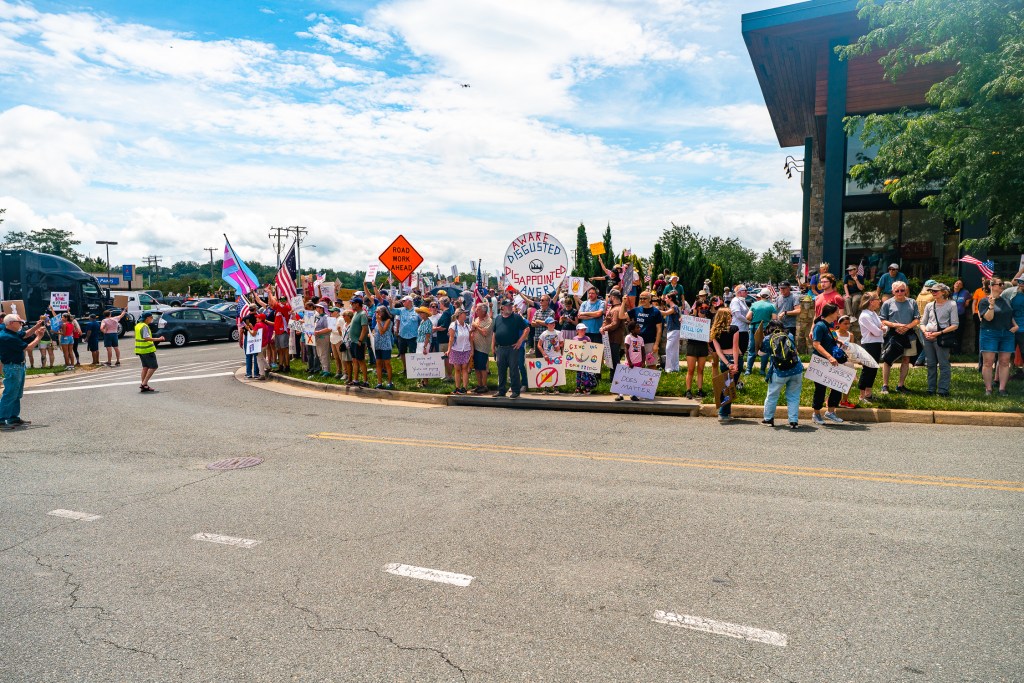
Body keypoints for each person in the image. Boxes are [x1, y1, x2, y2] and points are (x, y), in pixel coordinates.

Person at [0, 313, 45, 429]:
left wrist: (36, 326)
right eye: (20, 322)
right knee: (10, 393)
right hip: (12, 367)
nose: (22, 324)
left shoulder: (12, 333)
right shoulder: (7, 337)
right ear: (11, 323)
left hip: (18, 366)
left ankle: (13, 417)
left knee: (16, 394)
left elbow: (25, 334)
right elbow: (28, 347)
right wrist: (39, 337)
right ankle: (1, 419)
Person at [977, 277, 1018, 396]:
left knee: (1005, 362)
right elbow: (988, 318)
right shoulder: (984, 301)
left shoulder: (1006, 300)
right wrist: (991, 306)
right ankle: (988, 389)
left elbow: (1009, 315)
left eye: (1002, 284)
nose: (1002, 286)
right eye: (999, 284)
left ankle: (1002, 389)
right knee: (988, 362)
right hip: (990, 333)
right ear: (991, 286)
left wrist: (1015, 326)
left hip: (1007, 333)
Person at [760, 319, 803, 429]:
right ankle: (793, 421)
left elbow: (761, 353)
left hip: (779, 371)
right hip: (796, 369)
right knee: (793, 396)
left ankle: (768, 419)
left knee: (772, 395)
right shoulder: (790, 335)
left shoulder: (767, 338)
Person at [879, 281, 920, 394]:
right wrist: (895, 325)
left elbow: (917, 319)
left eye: (902, 290)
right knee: (888, 360)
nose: (900, 292)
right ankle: (885, 385)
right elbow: (883, 320)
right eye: (897, 290)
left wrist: (907, 327)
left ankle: (901, 385)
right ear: (893, 292)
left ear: (906, 290)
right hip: (893, 334)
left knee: (906, 359)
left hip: (909, 334)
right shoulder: (887, 303)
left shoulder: (912, 302)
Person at [810, 303, 845, 425]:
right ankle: (816, 413)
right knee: (820, 389)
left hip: (832, 361)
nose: (838, 314)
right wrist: (829, 357)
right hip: (821, 361)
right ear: (830, 313)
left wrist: (838, 341)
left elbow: (831, 338)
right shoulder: (819, 326)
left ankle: (830, 411)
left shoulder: (830, 325)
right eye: (837, 312)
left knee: (837, 385)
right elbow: (816, 344)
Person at [921, 283, 959, 397]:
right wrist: (925, 332)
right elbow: (922, 323)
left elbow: (955, 325)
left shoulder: (951, 304)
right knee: (930, 364)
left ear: (943, 292)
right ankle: (931, 389)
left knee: (943, 364)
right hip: (928, 337)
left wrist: (939, 333)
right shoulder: (929, 305)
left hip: (942, 337)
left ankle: (943, 390)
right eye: (932, 291)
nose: (933, 292)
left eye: (935, 291)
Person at [491, 299, 530, 399]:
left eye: (510, 305)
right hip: (501, 348)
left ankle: (515, 391)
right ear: (502, 307)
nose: (509, 307)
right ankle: (501, 390)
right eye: (507, 306)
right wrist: (493, 346)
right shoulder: (498, 318)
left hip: (512, 347)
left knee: (513, 369)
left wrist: (520, 341)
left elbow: (527, 329)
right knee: (501, 370)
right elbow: (494, 333)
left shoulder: (516, 317)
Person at [709, 307, 739, 420]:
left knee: (726, 385)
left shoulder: (714, 331)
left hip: (724, 361)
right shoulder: (735, 329)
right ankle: (723, 413)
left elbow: (718, 351)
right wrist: (734, 364)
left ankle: (727, 413)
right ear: (726, 317)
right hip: (734, 358)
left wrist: (727, 364)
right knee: (730, 387)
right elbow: (735, 348)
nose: (731, 318)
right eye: (730, 315)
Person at [683, 292, 712, 400]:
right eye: (702, 308)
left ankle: (700, 390)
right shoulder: (690, 319)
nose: (704, 310)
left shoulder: (708, 320)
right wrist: (682, 321)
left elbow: (710, 335)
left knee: (701, 369)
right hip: (692, 345)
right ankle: (688, 390)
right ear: (697, 308)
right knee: (690, 370)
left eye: (706, 308)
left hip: (702, 346)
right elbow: (684, 326)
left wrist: (710, 341)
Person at [623, 290, 663, 366]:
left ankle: (650, 378)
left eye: (644, 298)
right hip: (636, 342)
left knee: (651, 365)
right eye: (640, 298)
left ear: (649, 299)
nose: (642, 300)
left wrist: (656, 344)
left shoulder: (656, 312)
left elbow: (659, 330)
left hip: (650, 342)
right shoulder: (636, 310)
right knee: (637, 365)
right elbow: (621, 316)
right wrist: (623, 303)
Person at [857, 293, 884, 403]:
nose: (880, 301)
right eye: (877, 299)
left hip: (876, 343)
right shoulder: (865, 316)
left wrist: (881, 329)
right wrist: (881, 330)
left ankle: (868, 393)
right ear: (871, 301)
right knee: (867, 369)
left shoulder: (873, 314)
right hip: (869, 345)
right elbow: (877, 331)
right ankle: (862, 395)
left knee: (873, 369)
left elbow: (880, 328)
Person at [745, 289, 777, 375]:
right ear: (769, 296)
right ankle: (762, 370)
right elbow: (774, 319)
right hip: (766, 329)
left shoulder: (754, 304)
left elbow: (748, 317)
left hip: (753, 327)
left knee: (752, 349)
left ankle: (748, 370)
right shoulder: (772, 306)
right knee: (764, 349)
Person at [134, 312, 165, 393]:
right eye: (151, 317)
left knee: (145, 367)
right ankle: (144, 384)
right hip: (147, 350)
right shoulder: (144, 326)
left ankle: (144, 385)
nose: (152, 319)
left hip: (140, 350)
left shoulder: (138, 325)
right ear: (147, 318)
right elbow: (147, 338)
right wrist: (159, 339)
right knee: (154, 366)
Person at [616, 321, 645, 402]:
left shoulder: (640, 338)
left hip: (638, 362)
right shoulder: (628, 337)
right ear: (632, 330)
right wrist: (629, 362)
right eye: (637, 328)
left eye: (639, 327)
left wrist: (643, 361)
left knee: (635, 379)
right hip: (630, 363)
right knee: (625, 379)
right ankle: (620, 394)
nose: (639, 329)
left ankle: (633, 395)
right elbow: (626, 350)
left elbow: (643, 351)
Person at [391, 295, 420, 373]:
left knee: (413, 353)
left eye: (404, 301)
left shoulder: (417, 310)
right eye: (402, 301)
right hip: (402, 335)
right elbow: (392, 310)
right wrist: (391, 303)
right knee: (402, 352)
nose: (403, 302)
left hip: (413, 336)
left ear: (410, 301)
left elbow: (420, 322)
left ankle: (413, 369)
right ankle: (405, 369)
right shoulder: (401, 310)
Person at [599, 290, 627, 373]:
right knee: (611, 359)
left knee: (614, 360)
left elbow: (615, 323)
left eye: (609, 297)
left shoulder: (617, 309)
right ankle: (613, 378)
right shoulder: (614, 307)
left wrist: (604, 328)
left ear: (613, 297)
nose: (608, 298)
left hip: (614, 338)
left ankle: (615, 379)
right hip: (611, 337)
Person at [447, 307, 473, 395]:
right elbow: (451, 338)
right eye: (464, 313)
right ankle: (457, 387)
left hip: (466, 349)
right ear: (459, 315)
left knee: (465, 368)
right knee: (457, 369)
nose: (465, 315)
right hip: (456, 349)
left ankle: (464, 387)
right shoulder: (453, 325)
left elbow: (470, 338)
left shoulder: (467, 326)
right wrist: (449, 350)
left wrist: (472, 349)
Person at [833, 315, 857, 408]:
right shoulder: (834, 334)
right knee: (835, 380)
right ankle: (832, 399)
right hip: (837, 359)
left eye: (848, 324)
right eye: (845, 323)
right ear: (839, 324)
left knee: (848, 381)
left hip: (847, 360)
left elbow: (852, 348)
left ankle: (844, 400)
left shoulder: (850, 335)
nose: (847, 326)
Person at [536, 316, 563, 395]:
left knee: (556, 370)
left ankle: (555, 387)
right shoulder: (544, 334)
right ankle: (546, 388)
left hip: (556, 355)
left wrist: (559, 346)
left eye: (553, 323)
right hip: (547, 355)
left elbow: (562, 342)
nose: (553, 324)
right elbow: (539, 345)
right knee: (546, 371)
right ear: (547, 324)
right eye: (551, 323)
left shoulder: (558, 332)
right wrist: (544, 354)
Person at [728, 285, 750, 381]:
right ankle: (734, 374)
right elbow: (737, 315)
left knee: (742, 351)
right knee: (738, 352)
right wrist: (748, 321)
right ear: (739, 292)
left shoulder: (742, 301)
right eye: (745, 290)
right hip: (738, 329)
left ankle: (738, 373)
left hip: (744, 329)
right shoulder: (735, 301)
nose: (747, 292)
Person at [571, 322, 599, 395]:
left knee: (586, 374)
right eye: (581, 330)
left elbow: (591, 349)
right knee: (578, 374)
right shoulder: (574, 338)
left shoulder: (587, 338)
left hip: (586, 359)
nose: (583, 331)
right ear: (577, 331)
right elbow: (572, 349)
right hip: (578, 360)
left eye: (584, 330)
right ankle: (578, 387)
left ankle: (587, 387)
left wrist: (587, 344)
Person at [470, 302, 492, 393]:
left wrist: (476, 326)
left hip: (483, 347)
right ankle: (479, 385)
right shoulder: (477, 319)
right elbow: (473, 329)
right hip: (475, 346)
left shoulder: (489, 321)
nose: (476, 311)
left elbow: (485, 332)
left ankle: (484, 385)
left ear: (484, 311)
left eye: (478, 309)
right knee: (477, 367)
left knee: (482, 367)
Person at [348, 297, 370, 387]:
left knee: (361, 361)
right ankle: (355, 380)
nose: (352, 305)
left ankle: (365, 381)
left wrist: (360, 340)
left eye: (353, 303)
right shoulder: (356, 313)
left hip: (358, 342)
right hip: (353, 341)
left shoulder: (362, 314)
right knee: (354, 361)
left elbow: (364, 329)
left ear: (358, 304)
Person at [373, 307, 395, 389]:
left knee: (387, 363)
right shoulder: (377, 321)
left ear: (383, 312)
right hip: (377, 344)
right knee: (378, 363)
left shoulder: (388, 320)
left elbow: (382, 331)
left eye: (378, 312)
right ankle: (379, 383)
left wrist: (378, 321)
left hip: (385, 345)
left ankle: (390, 382)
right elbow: (376, 330)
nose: (377, 314)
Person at [661, 291, 682, 373]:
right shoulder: (673, 307)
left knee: (669, 349)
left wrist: (654, 309)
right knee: (674, 349)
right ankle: (675, 367)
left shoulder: (674, 307)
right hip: (673, 330)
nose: (665, 299)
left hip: (674, 330)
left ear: (670, 299)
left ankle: (669, 368)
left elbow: (666, 313)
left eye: (666, 298)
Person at [414, 305, 434, 388]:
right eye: (419, 313)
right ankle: (423, 380)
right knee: (420, 362)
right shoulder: (422, 321)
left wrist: (425, 347)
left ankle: (425, 382)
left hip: (424, 344)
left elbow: (427, 336)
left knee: (424, 362)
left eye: (421, 313)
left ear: (426, 314)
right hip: (420, 343)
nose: (419, 314)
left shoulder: (428, 322)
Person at [951, 279, 971, 353]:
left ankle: (957, 351)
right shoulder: (950, 293)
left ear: (962, 286)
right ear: (954, 284)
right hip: (950, 317)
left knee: (959, 333)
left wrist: (968, 300)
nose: (958, 284)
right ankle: (950, 351)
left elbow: (970, 297)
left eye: (960, 283)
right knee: (951, 333)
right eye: (956, 283)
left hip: (960, 315)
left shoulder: (965, 292)